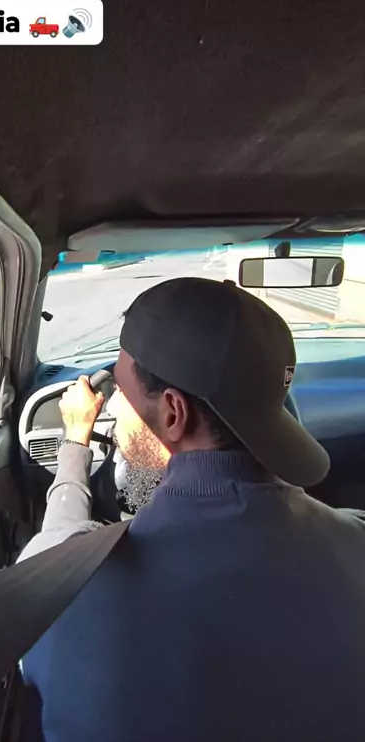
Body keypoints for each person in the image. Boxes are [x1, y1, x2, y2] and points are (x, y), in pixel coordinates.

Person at [19, 277, 365, 742]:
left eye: (121, 390)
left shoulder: (63, 585)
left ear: (173, 413)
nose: (114, 408)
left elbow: (53, 551)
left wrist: (75, 443)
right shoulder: (356, 540)